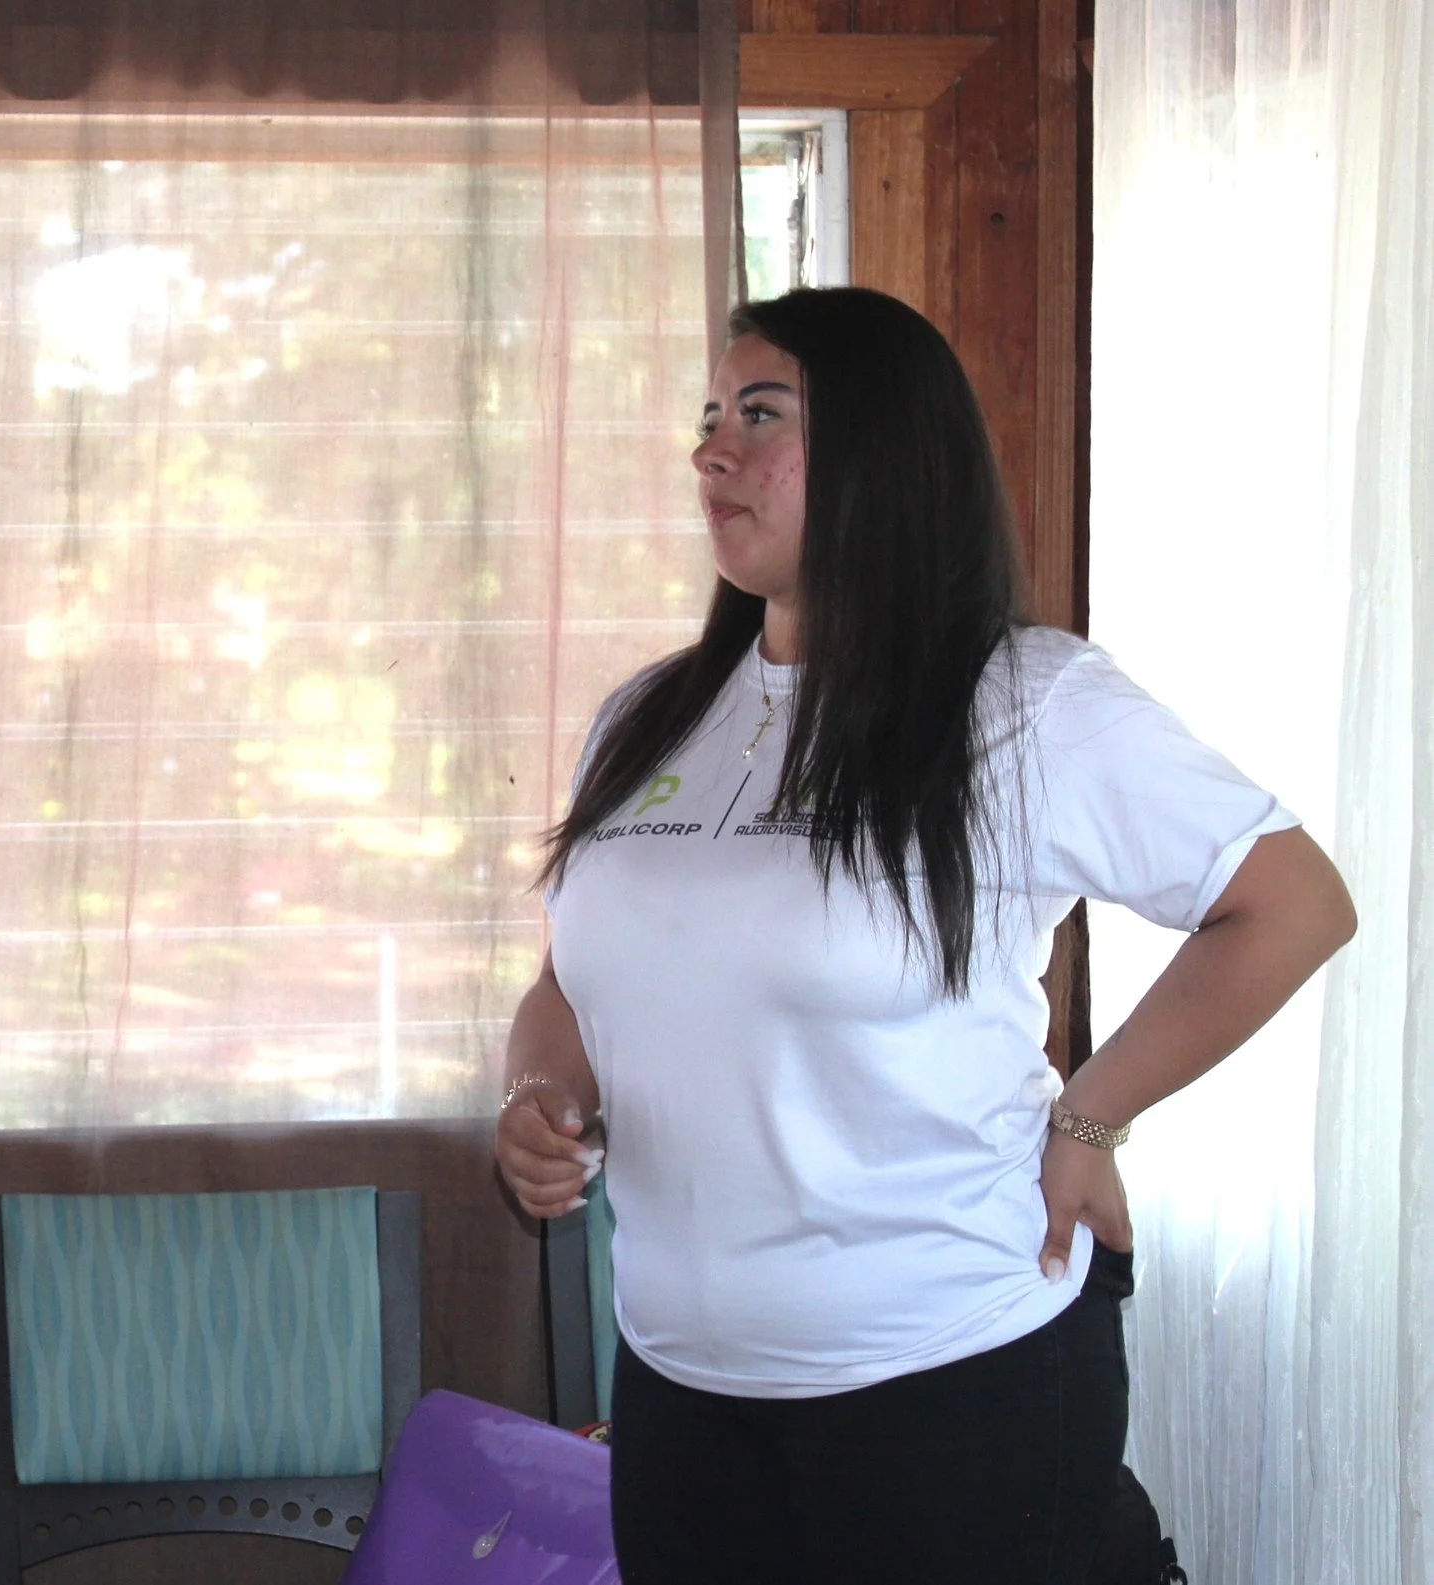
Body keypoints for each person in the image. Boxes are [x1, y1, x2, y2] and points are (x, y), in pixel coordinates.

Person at [494, 286, 1355, 1584]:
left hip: (953, 1380)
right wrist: (540, 1096)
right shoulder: (646, 719)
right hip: (683, 1388)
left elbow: (1290, 903)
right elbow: (576, 979)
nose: (711, 451)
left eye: (761, 416)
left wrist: (1092, 1115)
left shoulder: (1025, 704)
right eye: (709, 417)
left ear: (884, 449)